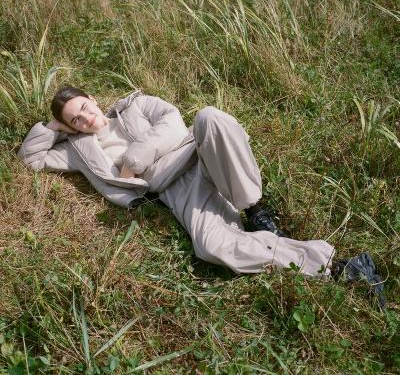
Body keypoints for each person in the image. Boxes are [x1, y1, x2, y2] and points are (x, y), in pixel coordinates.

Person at [17, 87, 385, 305]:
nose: (85, 119)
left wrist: (133, 160)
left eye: (84, 108)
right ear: (70, 128)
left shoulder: (135, 105)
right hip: (175, 189)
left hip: (197, 151)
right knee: (211, 247)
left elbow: (172, 121)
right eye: (75, 120)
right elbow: (30, 160)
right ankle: (340, 268)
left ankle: (254, 208)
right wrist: (51, 126)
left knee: (210, 116)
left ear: (93, 99)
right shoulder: (79, 151)